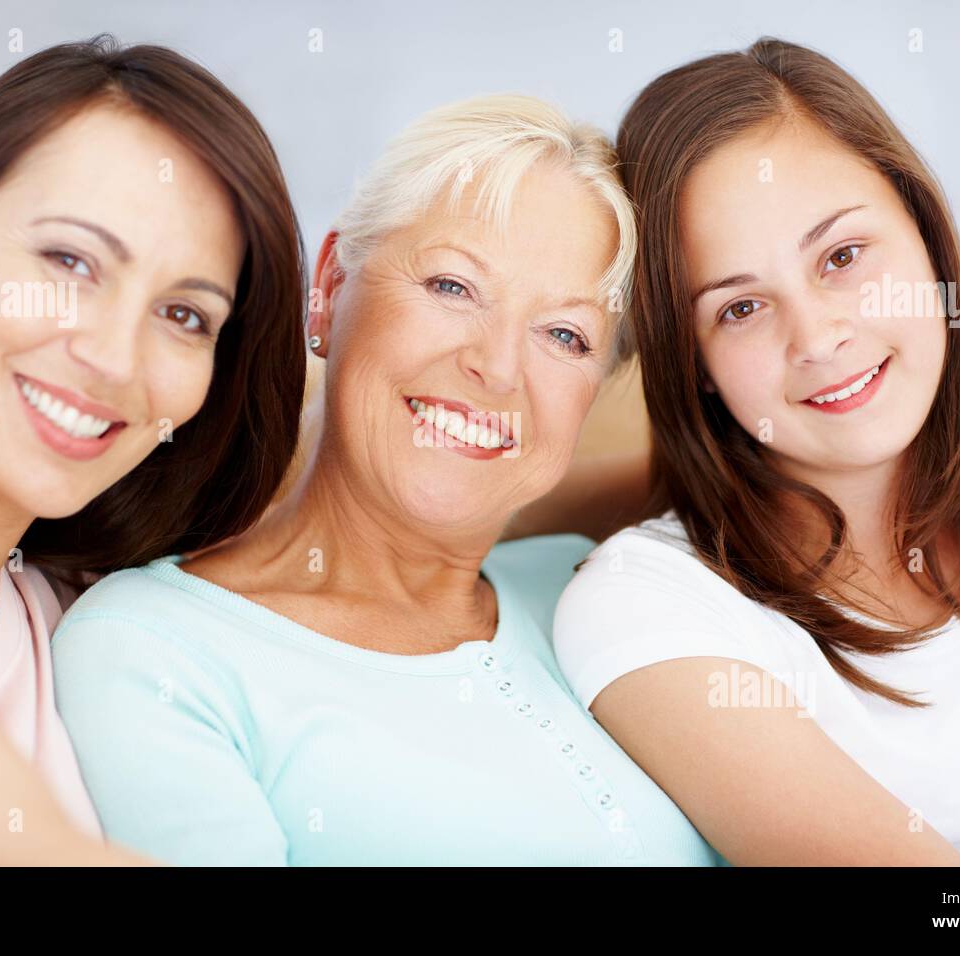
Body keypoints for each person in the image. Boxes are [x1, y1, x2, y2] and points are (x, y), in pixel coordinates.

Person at [51, 94, 719, 865]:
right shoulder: (152, 649)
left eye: (564, 334)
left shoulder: (602, 590)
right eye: (451, 286)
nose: (496, 368)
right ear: (331, 286)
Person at [553, 37, 960, 866]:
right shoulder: (653, 604)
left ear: (926, 236)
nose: (818, 337)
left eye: (843, 257)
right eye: (739, 309)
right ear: (694, 364)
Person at [0, 35, 306, 865]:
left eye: (185, 316)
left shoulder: (63, 612)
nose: (114, 360)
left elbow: (375, 480)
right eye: (71, 261)